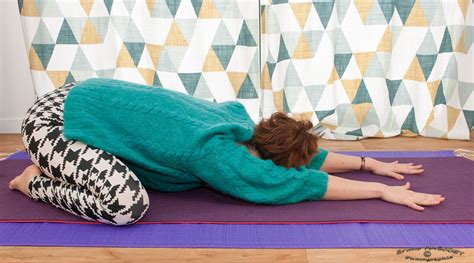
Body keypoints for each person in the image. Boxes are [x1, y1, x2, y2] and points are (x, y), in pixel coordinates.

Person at [9, 78, 445, 226]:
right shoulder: (217, 155)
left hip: (78, 95)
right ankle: (34, 182)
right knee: (126, 204)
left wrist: (371, 164)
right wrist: (381, 193)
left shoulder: (238, 122)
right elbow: (295, 181)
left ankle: (57, 166)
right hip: (53, 124)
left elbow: (302, 164)